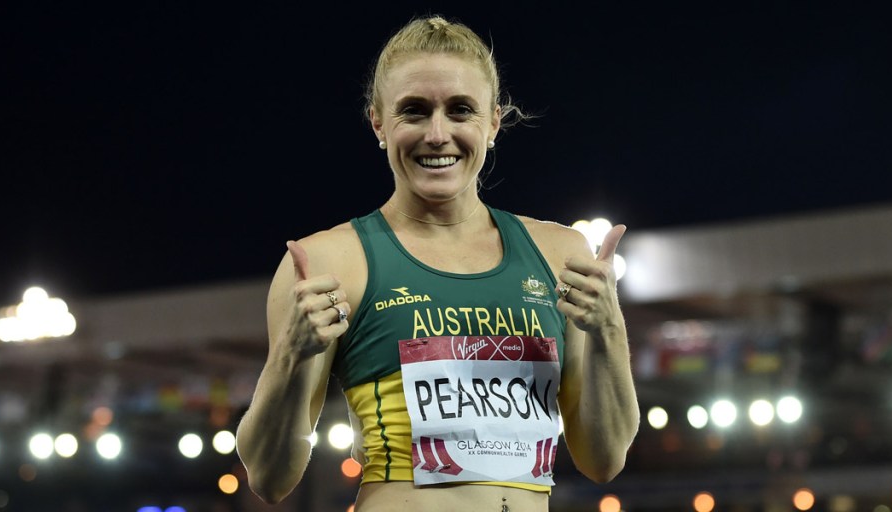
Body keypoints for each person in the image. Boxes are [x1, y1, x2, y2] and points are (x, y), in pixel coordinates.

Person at [235, 15, 640, 511]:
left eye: (460, 110)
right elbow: (269, 478)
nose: (437, 133)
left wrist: (609, 329)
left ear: (493, 122)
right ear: (378, 122)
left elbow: (605, 459)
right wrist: (288, 357)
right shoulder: (328, 263)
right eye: (414, 111)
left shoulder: (563, 256)